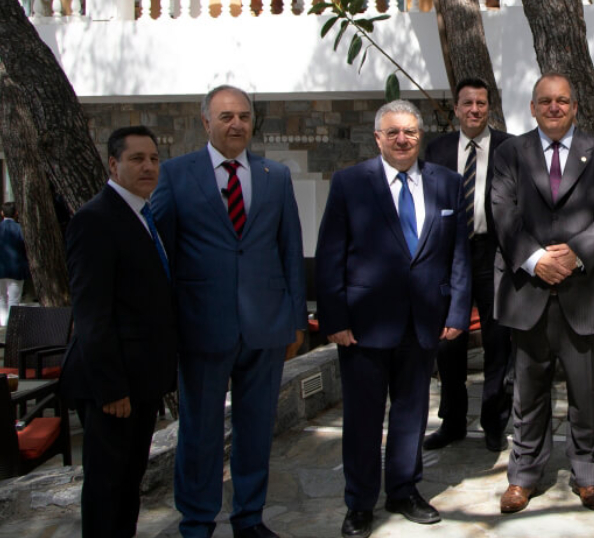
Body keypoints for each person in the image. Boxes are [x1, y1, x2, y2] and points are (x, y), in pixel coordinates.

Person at [152, 85, 306, 538]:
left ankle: (249, 517)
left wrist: (296, 320)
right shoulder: (175, 175)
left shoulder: (275, 175)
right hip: (202, 327)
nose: (236, 124)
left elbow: (290, 250)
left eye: (243, 116)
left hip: (266, 327)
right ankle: (197, 521)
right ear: (206, 122)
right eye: (226, 116)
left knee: (255, 431)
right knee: (199, 433)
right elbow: (160, 254)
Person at [316, 99, 471, 538]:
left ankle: (403, 490)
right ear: (378, 138)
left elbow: (459, 253)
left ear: (420, 137)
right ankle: (360, 503)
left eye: (410, 132)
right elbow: (330, 255)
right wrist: (335, 319)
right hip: (363, 325)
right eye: (393, 132)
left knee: (412, 415)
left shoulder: (447, 183)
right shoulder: (350, 183)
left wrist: (457, 310)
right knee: (362, 420)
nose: (402, 139)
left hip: (424, 321)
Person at [490, 73, 594, 514]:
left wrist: (575, 254)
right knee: (527, 392)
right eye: (546, 101)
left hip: (584, 290)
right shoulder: (510, 154)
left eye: (563, 101)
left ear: (575, 108)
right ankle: (523, 476)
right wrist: (536, 260)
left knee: (585, 394)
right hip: (528, 290)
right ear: (533, 108)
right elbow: (502, 211)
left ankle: (588, 476)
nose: (554, 107)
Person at [61, 126, 178, 537]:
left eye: (154, 159)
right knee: (107, 490)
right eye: (136, 159)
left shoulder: (144, 215)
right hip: (113, 389)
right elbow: (92, 314)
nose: (148, 167)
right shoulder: (95, 220)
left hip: (141, 382)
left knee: (128, 485)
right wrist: (111, 388)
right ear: (113, 164)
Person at [423, 77, 514, 452]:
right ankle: (453, 421)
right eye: (467, 103)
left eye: (481, 103)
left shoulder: (510, 148)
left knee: (498, 342)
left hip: (494, 254)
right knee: (449, 343)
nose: (474, 109)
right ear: (456, 108)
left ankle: (494, 422)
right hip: (449, 257)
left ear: (489, 107)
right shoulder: (438, 149)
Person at [0, 202, 28, 326]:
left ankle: (3, 324)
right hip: (16, 269)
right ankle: (11, 326)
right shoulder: (20, 229)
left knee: (1, 299)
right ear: (16, 213)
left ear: (2, 213)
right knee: (14, 300)